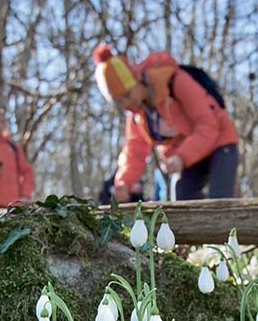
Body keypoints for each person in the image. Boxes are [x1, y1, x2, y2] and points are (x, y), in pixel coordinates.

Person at [92, 43, 239, 202]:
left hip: (220, 143)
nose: (126, 104)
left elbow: (208, 125)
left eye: (127, 94)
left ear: (137, 80)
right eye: (119, 101)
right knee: (182, 198)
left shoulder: (175, 81)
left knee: (219, 198)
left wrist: (181, 157)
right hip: (189, 157)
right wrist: (124, 183)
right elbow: (134, 151)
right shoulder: (137, 115)